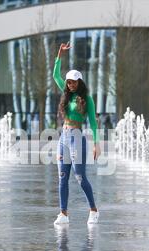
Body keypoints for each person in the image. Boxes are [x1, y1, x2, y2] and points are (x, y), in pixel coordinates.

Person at [53, 41, 100, 225]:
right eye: (68, 82)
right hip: (63, 138)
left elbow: (94, 123)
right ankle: (63, 214)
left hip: (77, 138)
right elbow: (56, 75)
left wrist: (96, 144)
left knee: (80, 177)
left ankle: (94, 210)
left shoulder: (86, 99)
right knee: (62, 177)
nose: (70, 84)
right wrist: (59, 55)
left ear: (79, 82)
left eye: (73, 82)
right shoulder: (66, 95)